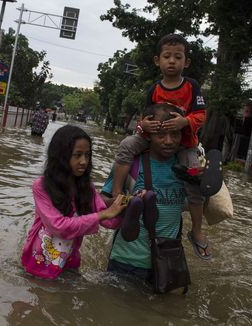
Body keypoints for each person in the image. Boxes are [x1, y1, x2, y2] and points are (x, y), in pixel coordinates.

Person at [110, 34, 212, 260]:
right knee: (127, 145)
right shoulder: (154, 89)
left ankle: (196, 230)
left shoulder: (192, 86)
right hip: (152, 137)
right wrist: (143, 125)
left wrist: (184, 122)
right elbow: (144, 117)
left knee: (195, 182)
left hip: (185, 143)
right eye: (167, 56)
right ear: (158, 60)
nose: (172, 61)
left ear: (186, 62)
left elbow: (201, 115)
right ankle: (116, 193)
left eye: (178, 57)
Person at [21, 125, 127, 279]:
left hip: (70, 261)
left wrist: (126, 205)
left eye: (87, 155)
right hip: (38, 260)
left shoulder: (86, 188)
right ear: (61, 155)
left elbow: (110, 222)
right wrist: (102, 214)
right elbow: (58, 226)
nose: (84, 161)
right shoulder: (42, 186)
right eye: (77, 155)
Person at [104, 103, 186, 281]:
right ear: (148, 135)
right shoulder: (130, 165)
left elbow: (206, 207)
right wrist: (128, 202)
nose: (169, 141)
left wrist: (204, 180)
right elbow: (103, 201)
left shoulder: (187, 168)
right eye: (160, 135)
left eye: (175, 134)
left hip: (167, 263)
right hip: (125, 262)